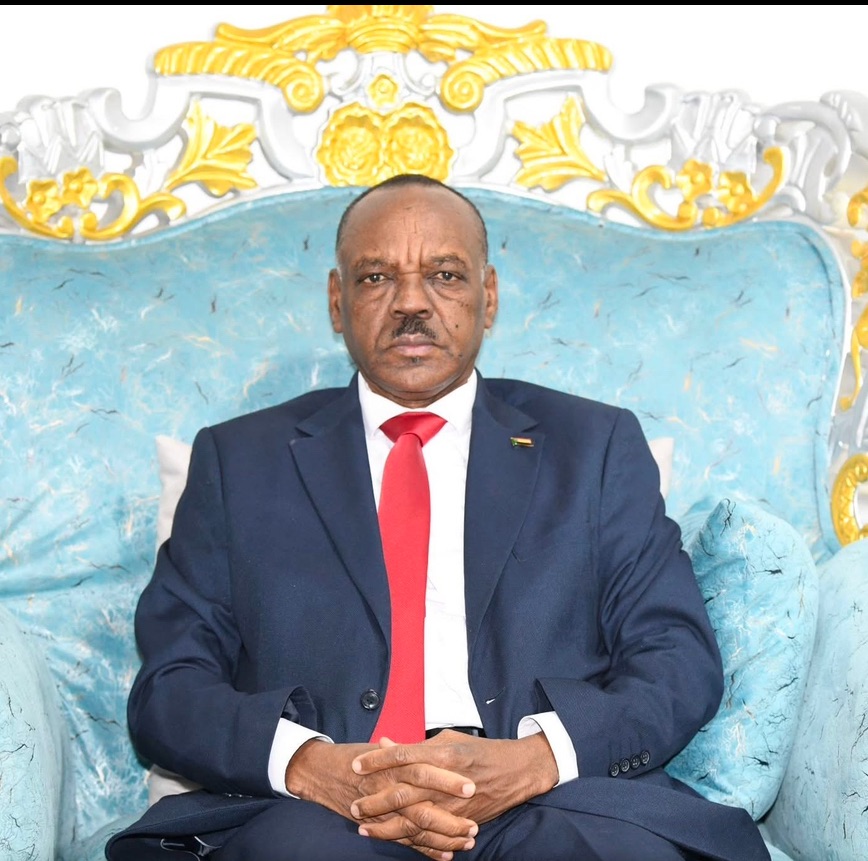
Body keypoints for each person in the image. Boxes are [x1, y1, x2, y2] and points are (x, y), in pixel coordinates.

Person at [107, 174, 771, 861]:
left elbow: (676, 658)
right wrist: (310, 765)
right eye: (376, 278)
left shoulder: (594, 447)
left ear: (489, 295)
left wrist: (538, 759)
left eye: (445, 275)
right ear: (337, 301)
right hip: (322, 811)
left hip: (550, 799)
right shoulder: (240, 461)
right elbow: (170, 688)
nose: (411, 303)